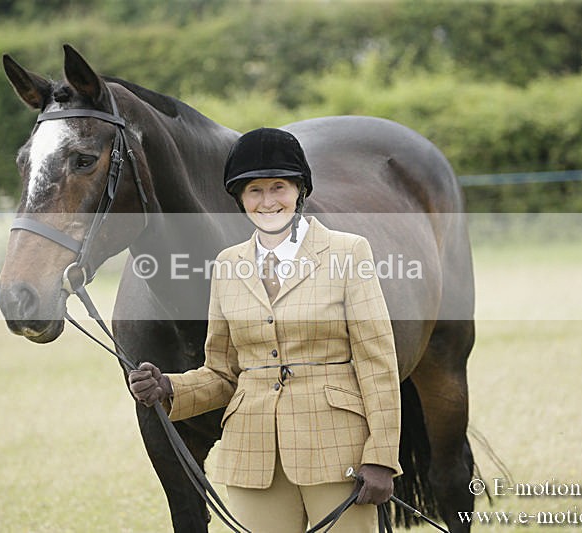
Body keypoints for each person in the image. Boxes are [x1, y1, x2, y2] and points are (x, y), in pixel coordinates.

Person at [128, 128, 402, 532]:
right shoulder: (226, 265)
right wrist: (170, 388)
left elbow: (377, 363)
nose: (268, 201)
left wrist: (381, 456)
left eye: (279, 187)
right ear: (240, 198)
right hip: (253, 456)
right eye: (255, 190)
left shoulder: (349, 252)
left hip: (336, 451)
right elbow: (222, 374)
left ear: (300, 190)